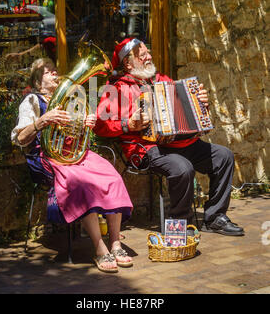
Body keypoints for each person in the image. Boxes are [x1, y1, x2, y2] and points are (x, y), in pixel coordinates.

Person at [94, 38, 245, 236]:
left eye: (148, 53)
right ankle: (180, 224)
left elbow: (186, 108)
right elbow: (99, 125)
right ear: (128, 63)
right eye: (142, 55)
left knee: (224, 157)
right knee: (182, 168)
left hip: (180, 143)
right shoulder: (117, 89)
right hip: (146, 148)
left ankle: (215, 218)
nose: (149, 57)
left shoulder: (163, 80)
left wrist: (201, 104)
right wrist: (127, 124)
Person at [11, 57, 134, 273]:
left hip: (74, 154)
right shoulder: (31, 101)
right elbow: (20, 139)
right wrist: (42, 121)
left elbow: (78, 132)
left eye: (55, 69)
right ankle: (99, 248)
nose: (55, 73)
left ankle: (115, 243)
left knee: (112, 175)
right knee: (81, 183)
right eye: (48, 71)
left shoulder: (70, 97)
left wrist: (86, 124)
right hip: (46, 156)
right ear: (38, 81)